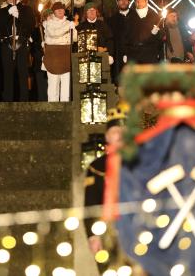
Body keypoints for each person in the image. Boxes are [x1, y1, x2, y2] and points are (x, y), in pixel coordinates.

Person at [84, 102, 128, 273]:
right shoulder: (96, 167)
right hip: (106, 228)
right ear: (108, 136)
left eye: (122, 132)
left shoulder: (140, 162)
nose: (118, 135)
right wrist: (92, 234)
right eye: (114, 131)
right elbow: (89, 204)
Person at [0, 0, 35, 102]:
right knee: (7, 74)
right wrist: (8, 14)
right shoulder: (2, 11)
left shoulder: (27, 9)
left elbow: (31, 25)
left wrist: (19, 16)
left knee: (23, 73)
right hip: (7, 44)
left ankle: (24, 100)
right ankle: (8, 100)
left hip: (22, 43)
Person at [43, 2, 76, 102]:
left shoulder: (68, 22)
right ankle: (53, 112)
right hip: (53, 57)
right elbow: (54, 34)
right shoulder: (49, 23)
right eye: (58, 10)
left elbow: (75, 38)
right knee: (53, 88)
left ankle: (65, 110)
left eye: (62, 9)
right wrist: (68, 27)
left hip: (66, 57)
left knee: (66, 89)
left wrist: (73, 28)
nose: (60, 11)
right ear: (54, 12)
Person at [124, 0, 161, 64]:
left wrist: (156, 33)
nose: (139, 2)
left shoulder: (154, 16)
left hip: (149, 54)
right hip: (133, 54)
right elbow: (125, 36)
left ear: (146, 1)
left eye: (142, 0)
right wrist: (125, 53)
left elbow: (161, 37)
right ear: (135, 3)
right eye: (137, 1)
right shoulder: (130, 16)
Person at [107, 0, 132, 84]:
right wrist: (110, 54)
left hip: (133, 55)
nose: (123, 2)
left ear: (129, 1)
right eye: (121, 0)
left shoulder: (136, 16)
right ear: (117, 2)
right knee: (119, 82)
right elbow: (110, 39)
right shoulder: (111, 20)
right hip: (117, 56)